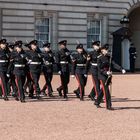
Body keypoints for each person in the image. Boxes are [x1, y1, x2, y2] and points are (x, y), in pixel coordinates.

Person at [94, 44, 126, 110]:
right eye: (106, 50)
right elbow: (99, 69)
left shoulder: (109, 57)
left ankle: (97, 101)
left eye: (107, 50)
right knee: (106, 91)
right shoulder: (99, 58)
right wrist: (106, 72)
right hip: (102, 75)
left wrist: (121, 69)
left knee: (103, 90)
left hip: (108, 76)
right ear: (102, 50)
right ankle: (108, 106)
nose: (107, 51)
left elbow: (114, 64)